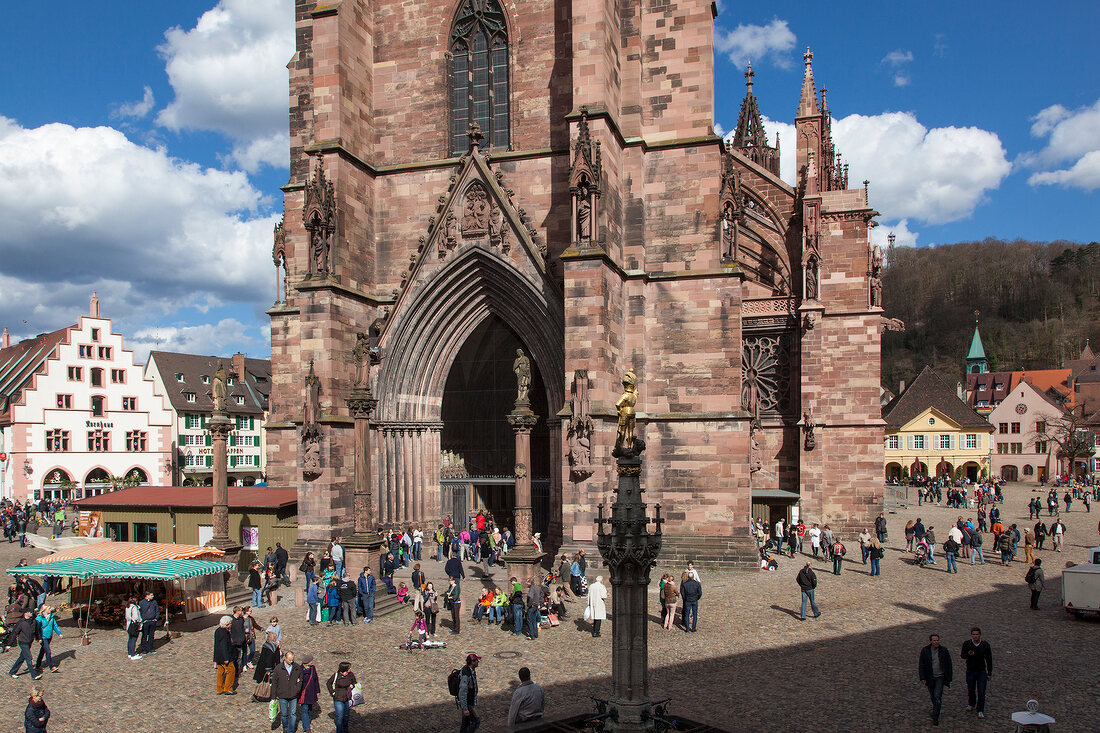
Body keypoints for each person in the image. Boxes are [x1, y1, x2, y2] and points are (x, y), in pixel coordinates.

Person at [918, 634, 952, 726]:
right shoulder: (925, 651)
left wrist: (949, 677)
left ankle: (935, 716)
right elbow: (921, 665)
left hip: (940, 676)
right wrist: (922, 677)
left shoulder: (944, 650)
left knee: (937, 696)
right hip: (930, 677)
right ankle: (935, 709)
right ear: (930, 641)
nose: (936, 642)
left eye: (937, 640)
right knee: (933, 695)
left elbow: (949, 664)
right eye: (934, 640)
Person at [960, 627, 992, 719]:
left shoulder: (985, 645)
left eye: (977, 634)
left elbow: (989, 659)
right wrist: (968, 654)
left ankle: (980, 709)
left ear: (980, 635)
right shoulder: (967, 644)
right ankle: (971, 703)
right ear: (971, 635)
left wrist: (989, 673)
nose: (975, 636)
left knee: (981, 691)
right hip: (970, 670)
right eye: (973, 634)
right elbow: (962, 655)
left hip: (981, 671)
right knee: (971, 689)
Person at [271, 650, 303, 733]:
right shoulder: (278, 668)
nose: (291, 661)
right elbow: (274, 682)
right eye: (289, 660)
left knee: (293, 714)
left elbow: (301, 680)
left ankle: (291, 731)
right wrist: (273, 696)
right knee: (284, 714)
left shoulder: (297, 667)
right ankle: (285, 728)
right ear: (285, 658)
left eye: (292, 659)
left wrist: (297, 689)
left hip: (293, 694)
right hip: (282, 694)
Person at [8, 611, 41, 679]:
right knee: (28, 658)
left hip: (29, 642)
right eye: (30, 612)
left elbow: (36, 631)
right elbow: (14, 633)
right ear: (25, 613)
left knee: (22, 657)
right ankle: (34, 675)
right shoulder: (21, 622)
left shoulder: (34, 622)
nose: (31, 613)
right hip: (23, 642)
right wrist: (10, 644)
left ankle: (12, 671)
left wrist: (38, 638)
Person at [327, 661, 357, 733]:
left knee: (346, 716)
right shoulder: (336, 675)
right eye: (349, 668)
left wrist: (352, 685)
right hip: (338, 698)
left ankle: (345, 730)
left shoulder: (351, 675)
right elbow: (329, 683)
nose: (350, 669)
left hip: (347, 698)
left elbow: (354, 682)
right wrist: (332, 692)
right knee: (340, 717)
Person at [297, 654, 321, 733]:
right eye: (311, 661)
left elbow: (316, 680)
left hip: (312, 692)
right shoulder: (300, 670)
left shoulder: (312, 668)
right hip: (304, 693)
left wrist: (317, 691)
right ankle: (306, 728)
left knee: (310, 709)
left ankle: (307, 721)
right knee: (304, 709)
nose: (312, 662)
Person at [457, 653, 480, 733]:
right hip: (468, 704)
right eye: (476, 660)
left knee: (465, 723)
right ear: (472, 662)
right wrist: (465, 708)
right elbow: (462, 692)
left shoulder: (471, 671)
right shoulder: (466, 675)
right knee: (476, 721)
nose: (478, 662)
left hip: (469, 702)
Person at [34, 606, 61, 674]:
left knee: (43, 650)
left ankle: (37, 665)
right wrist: (39, 638)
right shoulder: (39, 619)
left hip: (49, 636)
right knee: (48, 651)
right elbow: (37, 629)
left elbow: (54, 626)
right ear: (44, 610)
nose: (50, 609)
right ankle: (51, 667)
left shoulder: (51, 617)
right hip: (43, 637)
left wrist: (59, 633)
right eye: (49, 608)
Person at [214, 615, 236, 695]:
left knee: (220, 672)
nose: (230, 625)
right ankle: (227, 688)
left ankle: (219, 689)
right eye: (230, 624)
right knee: (231, 670)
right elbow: (223, 646)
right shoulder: (224, 632)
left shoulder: (218, 630)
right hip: (224, 656)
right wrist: (226, 658)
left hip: (218, 656)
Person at [138, 591, 159, 655]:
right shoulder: (141, 602)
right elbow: (140, 612)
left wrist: (156, 618)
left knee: (151, 635)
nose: (152, 596)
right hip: (145, 621)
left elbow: (157, 610)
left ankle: (150, 647)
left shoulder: (154, 602)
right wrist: (143, 619)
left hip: (152, 621)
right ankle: (144, 648)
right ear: (147, 596)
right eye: (151, 595)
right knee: (144, 635)